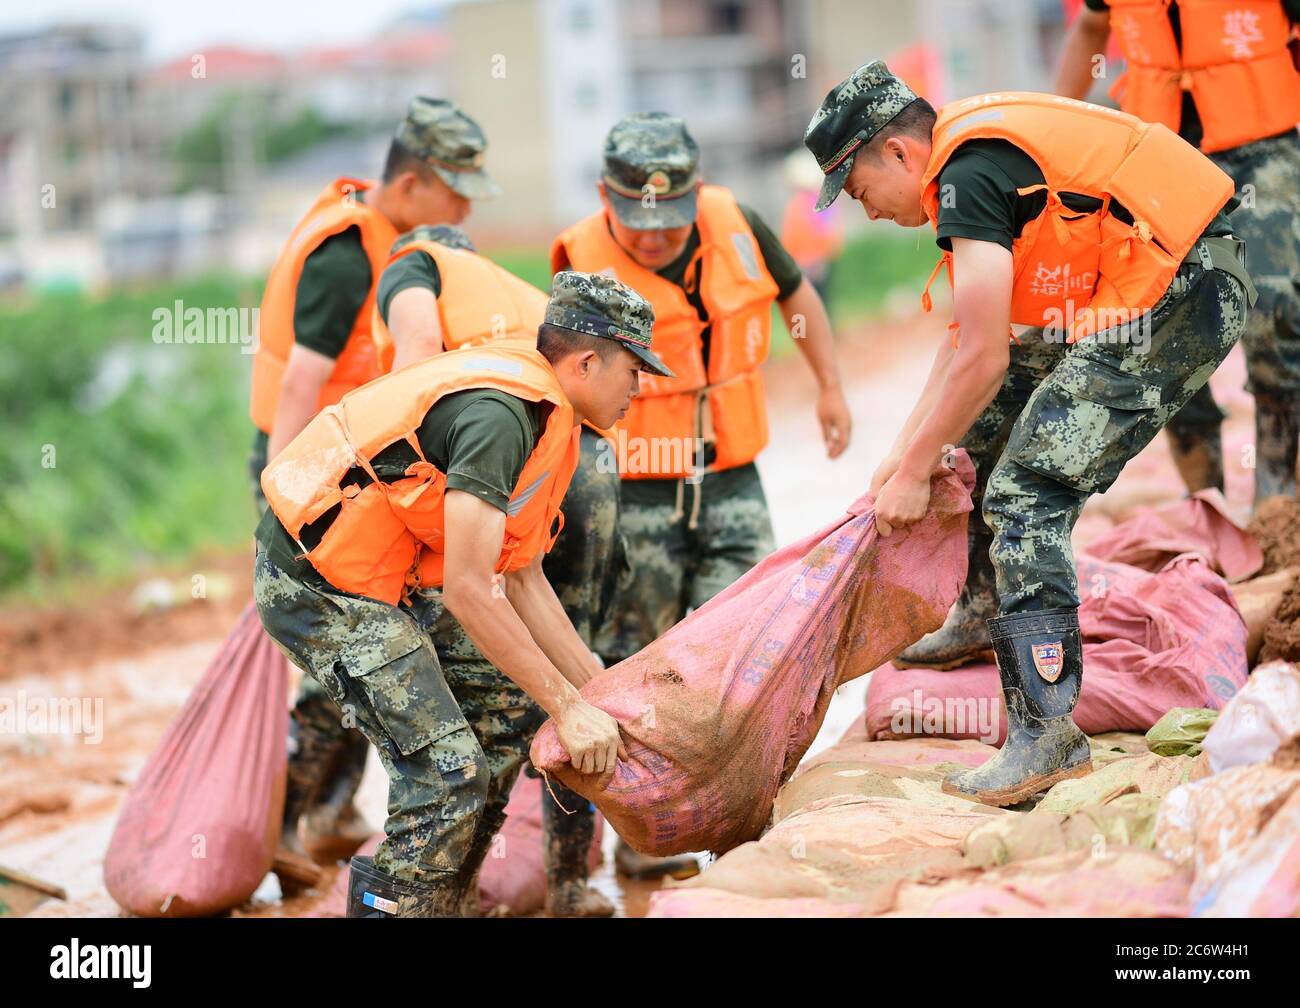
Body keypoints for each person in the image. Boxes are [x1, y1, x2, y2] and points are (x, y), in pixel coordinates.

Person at [805, 60, 1254, 805]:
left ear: (897, 153)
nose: (868, 212)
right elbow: (967, 346)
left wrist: (917, 471)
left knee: (1026, 494)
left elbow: (983, 357)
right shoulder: (970, 165)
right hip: (1141, 284)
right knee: (971, 443)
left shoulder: (968, 175)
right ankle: (983, 610)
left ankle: (1046, 732)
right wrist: (905, 456)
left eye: (857, 192)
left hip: (1185, 286)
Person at [254, 271, 670, 916]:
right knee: (447, 774)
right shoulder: (502, 418)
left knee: (507, 714)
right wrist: (566, 707)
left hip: (381, 582)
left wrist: (593, 693)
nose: (639, 392)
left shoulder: (549, 419)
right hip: (317, 582)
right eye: (634, 372)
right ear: (588, 362)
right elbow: (473, 592)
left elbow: (524, 576)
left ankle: (445, 902)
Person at [553, 112, 852, 875]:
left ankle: (733, 812)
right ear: (604, 196)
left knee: (750, 642)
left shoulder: (738, 221)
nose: (654, 236)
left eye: (670, 216)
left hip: (728, 472)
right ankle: (641, 834)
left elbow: (797, 297)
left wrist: (829, 386)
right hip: (635, 483)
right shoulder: (579, 254)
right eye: (636, 219)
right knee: (638, 659)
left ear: (697, 191)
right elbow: (556, 375)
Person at [248, 98, 500, 867]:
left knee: (381, 641)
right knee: (351, 649)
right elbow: (303, 383)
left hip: (355, 480)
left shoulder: (389, 244)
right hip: (314, 484)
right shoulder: (351, 254)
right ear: (417, 182)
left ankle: (324, 814)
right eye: (457, 191)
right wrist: (282, 503)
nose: (465, 207)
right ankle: (287, 820)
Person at [370, 223, 619, 915]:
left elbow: (416, 357)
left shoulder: (411, 266)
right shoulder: (528, 300)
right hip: (577, 472)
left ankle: (443, 889)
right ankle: (568, 883)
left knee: (491, 703)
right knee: (570, 685)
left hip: (504, 487)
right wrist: (584, 692)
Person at [1056, 0, 1300, 502]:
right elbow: (1092, 26)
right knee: (1156, 317)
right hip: (1158, 149)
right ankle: (1206, 502)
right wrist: (1056, 128)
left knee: (1275, 308)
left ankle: (1279, 497)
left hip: (1263, 145)